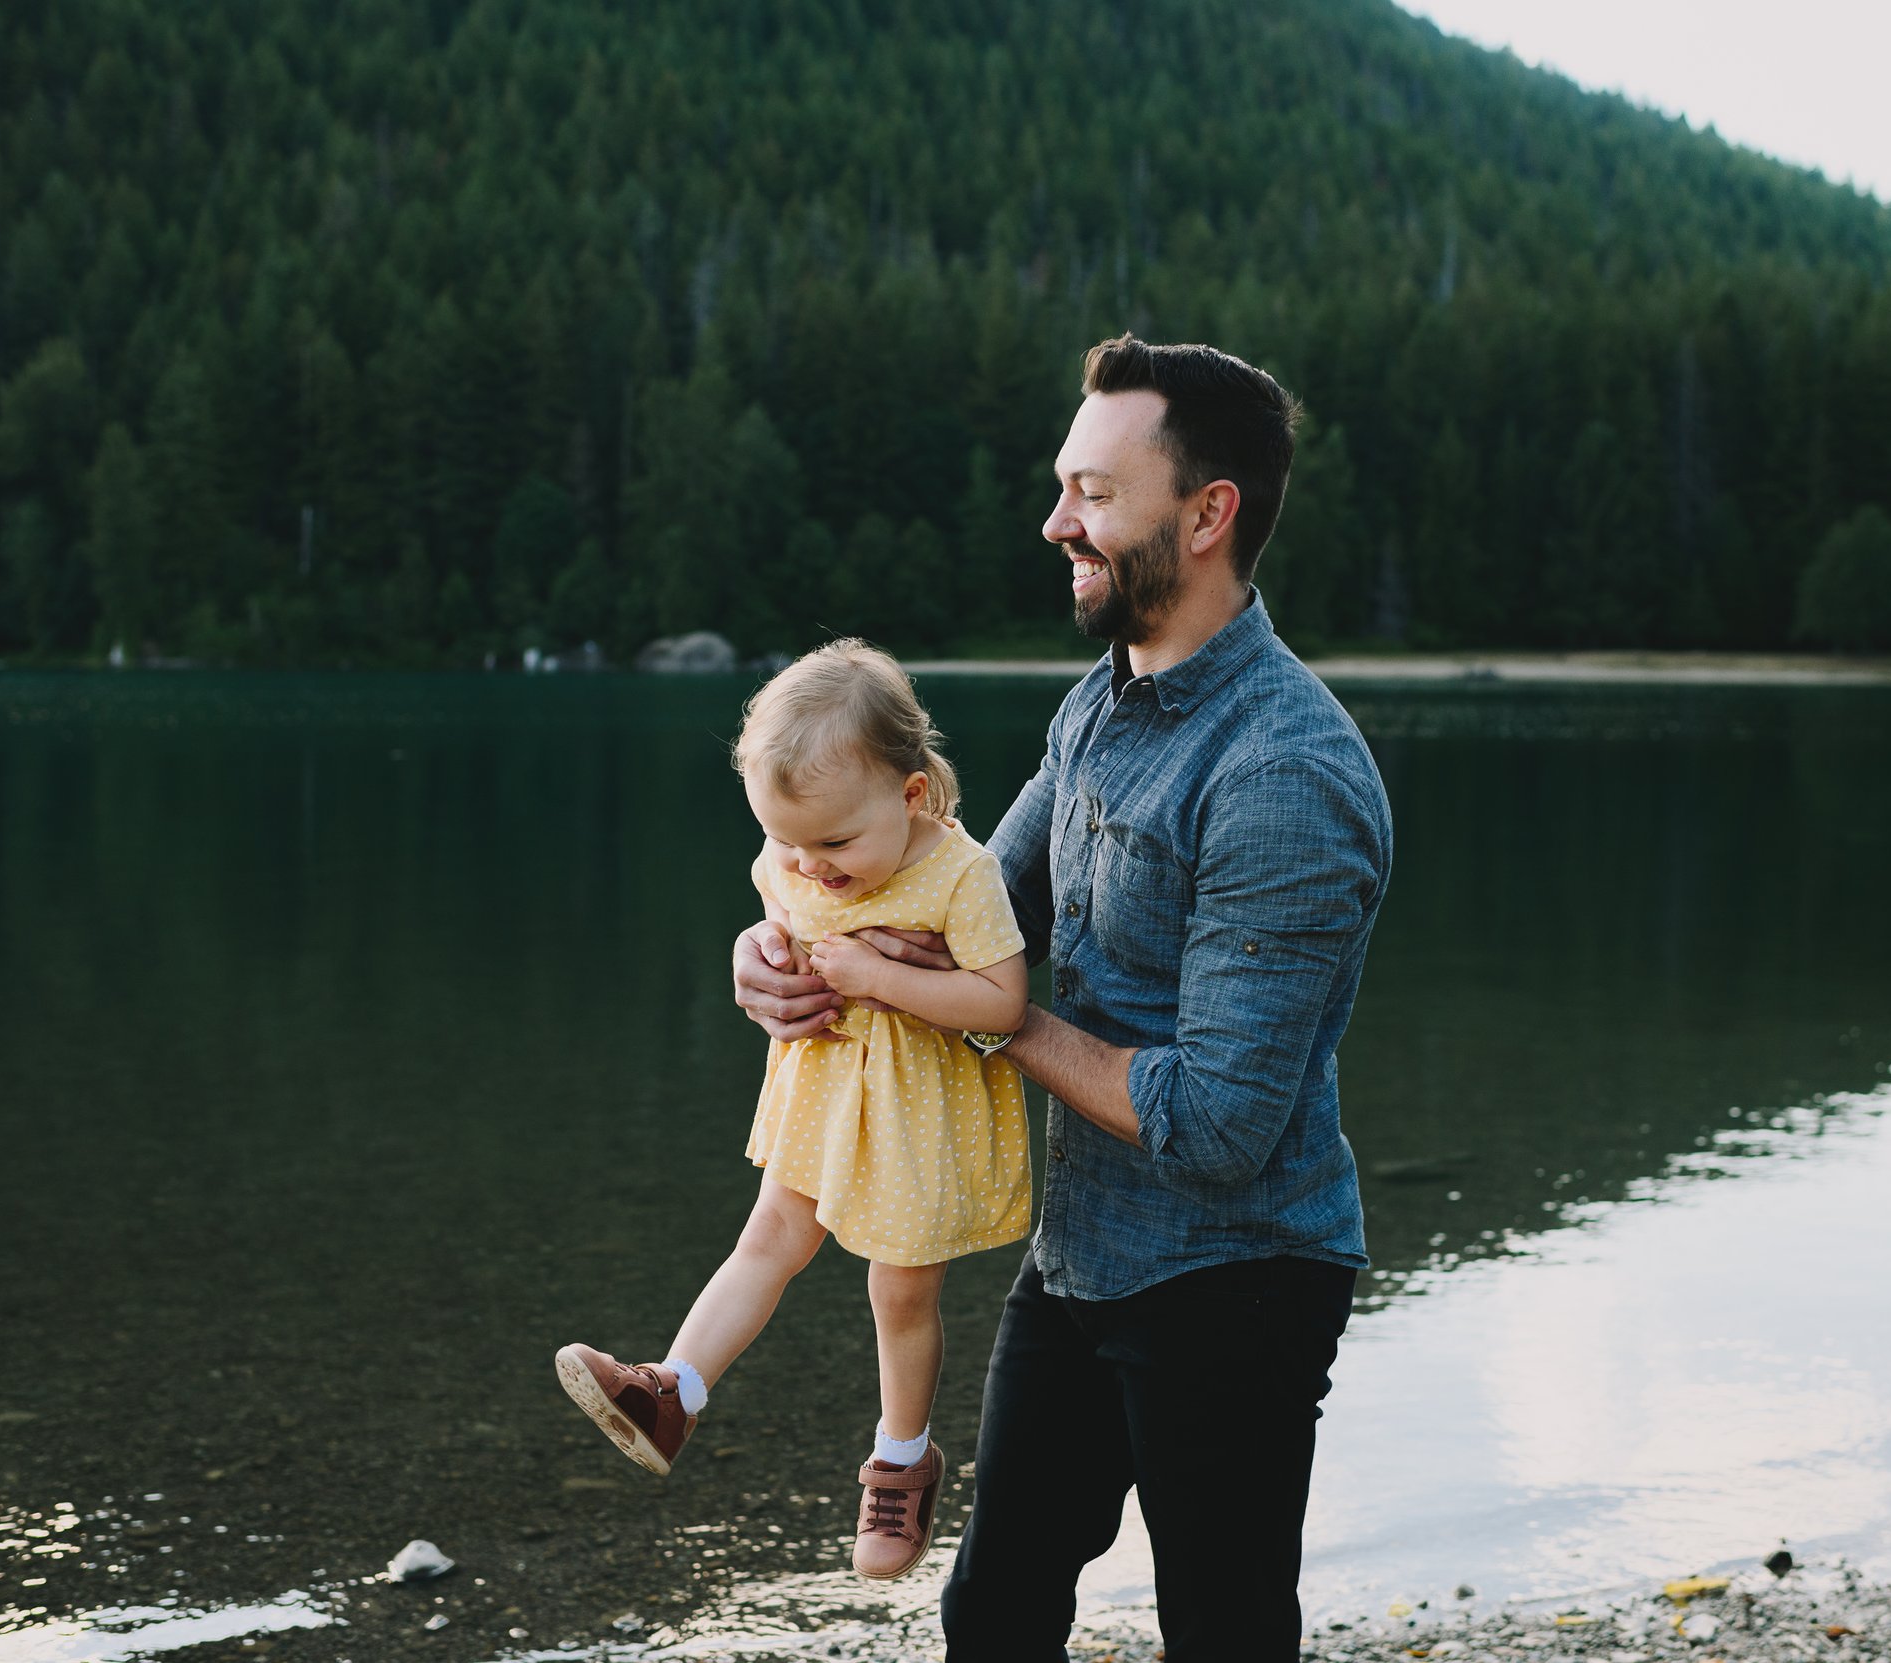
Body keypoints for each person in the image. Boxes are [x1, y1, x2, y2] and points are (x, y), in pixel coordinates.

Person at [731, 336, 1393, 1659]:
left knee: (1225, 1626)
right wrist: (778, 944)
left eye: (1092, 491)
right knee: (997, 1605)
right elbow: (966, 901)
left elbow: (1213, 1123)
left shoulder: (1284, 779)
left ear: (1207, 515)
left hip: (1242, 1273)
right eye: (1061, 485)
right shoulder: (1101, 702)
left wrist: (998, 1020)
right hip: (1086, 1250)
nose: (1055, 521)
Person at [557, 639, 1034, 1582]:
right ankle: (672, 1391)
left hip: (918, 1111)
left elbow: (1003, 1002)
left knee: (898, 1292)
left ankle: (901, 1462)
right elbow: (776, 910)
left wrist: (880, 972)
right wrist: (767, 952)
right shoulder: (794, 857)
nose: (811, 867)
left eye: (834, 843)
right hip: (823, 1087)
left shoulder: (958, 875)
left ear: (909, 796)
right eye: (787, 840)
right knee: (767, 1237)